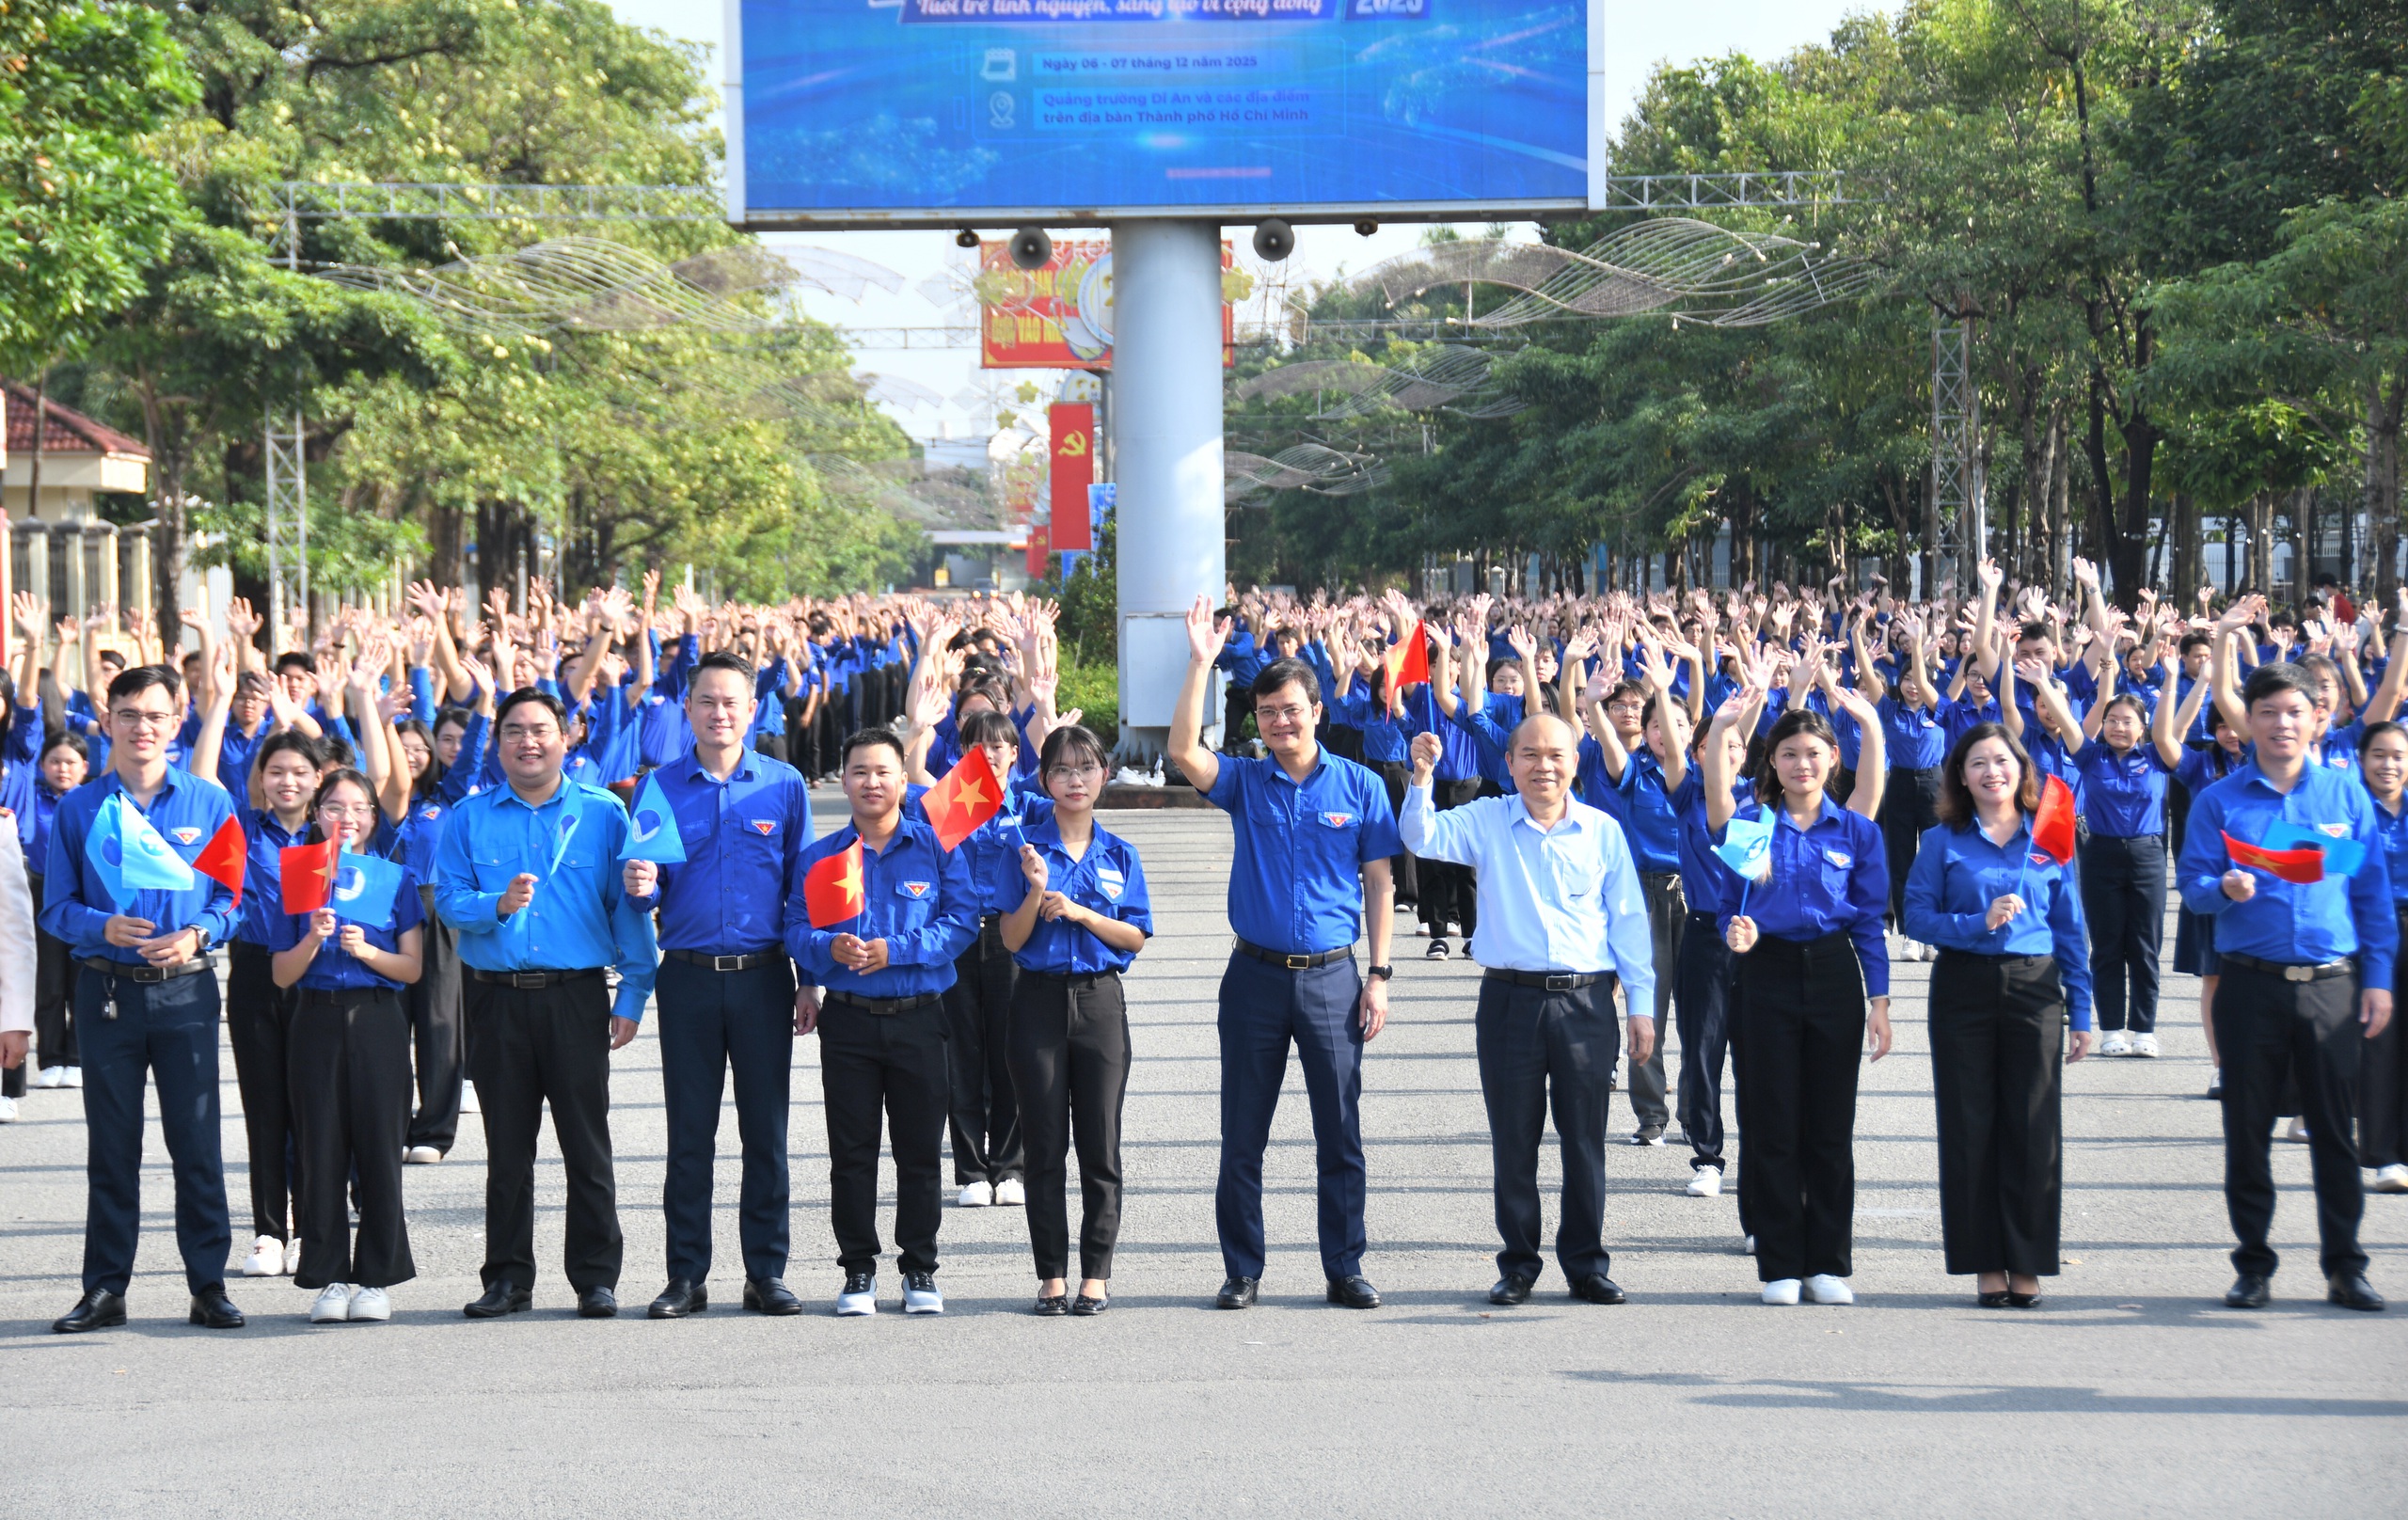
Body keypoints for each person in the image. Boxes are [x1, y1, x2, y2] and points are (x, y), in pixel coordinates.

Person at [1167, 594, 1400, 1312]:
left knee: (1341, 1134)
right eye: (1268, 713)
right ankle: (1243, 1270)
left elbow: (1381, 881)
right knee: (1243, 1134)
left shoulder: (1359, 785)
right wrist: (1201, 663)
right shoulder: (1244, 779)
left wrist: (1381, 975)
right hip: (1254, 979)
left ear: (1316, 710)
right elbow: (1181, 753)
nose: (1279, 722)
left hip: (1335, 978)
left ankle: (1345, 1267)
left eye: (1291, 709)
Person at [1400, 712, 1656, 1306]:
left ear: (1574, 762)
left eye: (1557, 755)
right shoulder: (1487, 820)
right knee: (1514, 1138)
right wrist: (1421, 777)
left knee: (1584, 1139)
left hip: (1587, 1001)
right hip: (1509, 999)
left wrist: (1640, 1006)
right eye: (1531, 755)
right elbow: (1421, 837)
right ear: (1508, 763)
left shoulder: (1601, 832)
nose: (1545, 766)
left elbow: (1629, 924)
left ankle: (1587, 1264)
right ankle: (1518, 1264)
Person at [436, 687, 658, 1322]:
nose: (527, 742)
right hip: (497, 1002)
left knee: (586, 1145)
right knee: (508, 1150)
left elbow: (629, 912)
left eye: (540, 730)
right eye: (513, 731)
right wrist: (494, 905)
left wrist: (635, 993)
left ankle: (595, 1277)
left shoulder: (602, 814)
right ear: (498, 741)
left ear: (566, 737)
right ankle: (507, 1277)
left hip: (576, 998)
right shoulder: (470, 818)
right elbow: (447, 899)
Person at [2179, 661, 2395, 1312]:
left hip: (2331, 986)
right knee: (2247, 1131)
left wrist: (2378, 980)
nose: (2281, 724)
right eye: (2268, 712)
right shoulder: (2221, 802)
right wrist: (2224, 888)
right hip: (2251, 987)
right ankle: (2253, 1264)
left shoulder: (2343, 797)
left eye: (2294, 712)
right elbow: (2192, 886)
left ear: (2314, 719)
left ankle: (2345, 1266)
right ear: (2248, 720)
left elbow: (2371, 896)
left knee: (2334, 1132)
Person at [43, 665, 245, 1334]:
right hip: (105, 992)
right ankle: (105, 1288)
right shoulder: (79, 808)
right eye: (128, 714)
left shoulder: (209, 802)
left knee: (197, 1144)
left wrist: (198, 933)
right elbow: (55, 907)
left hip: (185, 993)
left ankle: (208, 1284)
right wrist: (97, 926)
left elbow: (233, 899)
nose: (142, 727)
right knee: (112, 1146)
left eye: (155, 715)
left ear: (177, 719)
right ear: (107, 720)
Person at [623, 649, 816, 1320]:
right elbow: (646, 889)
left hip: (765, 979)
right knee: (690, 1135)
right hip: (689, 981)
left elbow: (803, 890)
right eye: (706, 701)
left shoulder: (784, 785)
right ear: (688, 709)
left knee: (765, 1132)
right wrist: (641, 886)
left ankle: (766, 1272)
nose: (719, 713)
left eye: (731, 702)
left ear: (752, 710)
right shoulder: (659, 788)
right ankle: (686, 1275)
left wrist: (809, 979)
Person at [1703, 674, 1892, 1308]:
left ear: (1832, 759)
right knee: (1774, 1124)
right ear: (1773, 764)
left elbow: (1868, 920)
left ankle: (1827, 1263)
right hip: (1767, 973)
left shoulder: (1857, 830)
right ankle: (1780, 1262)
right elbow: (1734, 903)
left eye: (1813, 753)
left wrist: (1880, 1001)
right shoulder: (1753, 826)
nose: (1801, 764)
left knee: (1829, 1128)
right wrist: (1738, 931)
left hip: (1835, 974)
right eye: (1788, 754)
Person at [786, 728, 977, 1317]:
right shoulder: (822, 858)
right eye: (860, 772)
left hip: (920, 1019)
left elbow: (963, 921)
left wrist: (898, 951)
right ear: (842, 780)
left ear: (904, 782)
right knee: (853, 1153)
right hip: (849, 1026)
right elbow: (795, 928)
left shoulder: (937, 847)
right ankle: (858, 1270)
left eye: (883, 772)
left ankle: (919, 1268)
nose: (872, 783)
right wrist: (825, 952)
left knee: (919, 1151)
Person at [1904, 723, 2095, 1307]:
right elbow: (1914, 916)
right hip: (1963, 984)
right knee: (1970, 1126)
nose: (1992, 771)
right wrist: (1974, 924)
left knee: (2033, 1127)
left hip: (2035, 988)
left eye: (2003, 760)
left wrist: (2082, 1009)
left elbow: (2071, 928)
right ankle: (1986, 1262)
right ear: (1960, 775)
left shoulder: (2050, 838)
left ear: (2021, 770)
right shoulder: (1941, 840)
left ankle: (2028, 1259)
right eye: (1978, 762)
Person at [995, 723, 1152, 1316]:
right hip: (1035, 1001)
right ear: (1045, 780)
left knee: (1100, 1144)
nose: (1075, 780)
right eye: (1062, 769)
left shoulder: (1119, 853)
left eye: (1086, 768)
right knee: (1043, 1146)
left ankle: (1097, 1273)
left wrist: (1082, 912)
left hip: (1100, 1003)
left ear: (1104, 775)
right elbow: (1011, 940)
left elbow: (1135, 936)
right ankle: (1051, 1275)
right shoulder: (1026, 848)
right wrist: (1037, 892)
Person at [267, 768, 425, 1323]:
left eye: (359, 808)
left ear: (372, 819)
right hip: (314, 1021)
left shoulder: (394, 879)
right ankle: (329, 1276)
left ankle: (376, 1278)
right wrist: (312, 936)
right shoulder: (298, 876)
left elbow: (411, 968)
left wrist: (366, 953)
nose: (346, 819)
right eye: (334, 807)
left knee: (380, 1150)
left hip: (378, 1021)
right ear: (316, 815)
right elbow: (282, 975)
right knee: (321, 1151)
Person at [2032, 655, 2176, 1056]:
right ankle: (2111, 1028)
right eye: (2112, 720)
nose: (2118, 727)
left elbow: (2173, 723)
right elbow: (2069, 720)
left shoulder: (2158, 758)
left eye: (2128, 721)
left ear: (2143, 727)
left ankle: (2144, 1030)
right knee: (2108, 944)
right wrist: (2045, 683)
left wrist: (2174, 679)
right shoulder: (2090, 757)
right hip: (2100, 854)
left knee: (2145, 945)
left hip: (2148, 854)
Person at [2356, 720, 2408, 1193]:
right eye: (2379, 755)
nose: (2388, 765)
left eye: (2397, 756)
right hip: (2371, 931)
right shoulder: (2349, 808)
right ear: (2362, 758)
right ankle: (2384, 1153)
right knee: (2380, 1043)